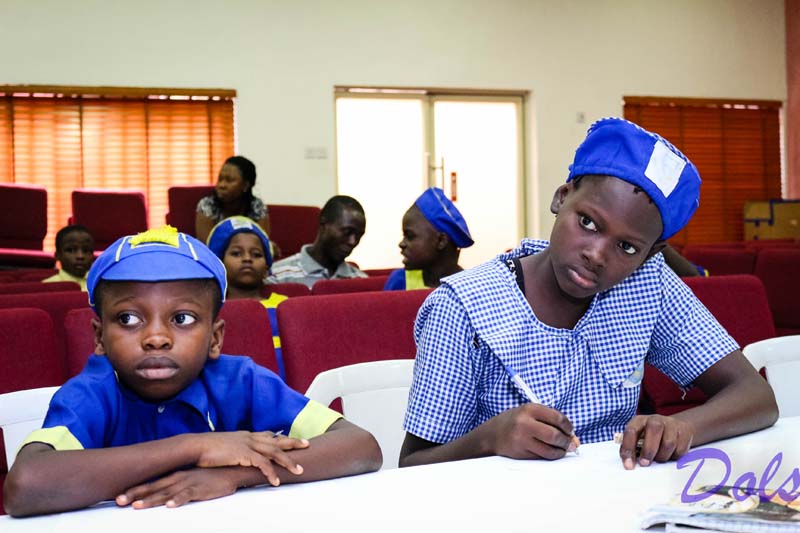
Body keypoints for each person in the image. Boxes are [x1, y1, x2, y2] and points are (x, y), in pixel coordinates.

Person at [399, 117, 777, 471]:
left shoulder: (648, 285)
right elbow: (413, 463)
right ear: (561, 197)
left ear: (650, 255)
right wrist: (490, 439)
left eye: (627, 247)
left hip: (614, 497)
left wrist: (683, 426)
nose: (596, 255)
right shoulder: (462, 307)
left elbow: (755, 394)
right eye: (588, 222)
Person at [3, 225, 382, 517]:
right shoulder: (93, 392)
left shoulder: (241, 381)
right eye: (128, 318)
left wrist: (233, 476)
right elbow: (25, 485)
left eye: (182, 318)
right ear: (99, 337)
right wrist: (198, 446)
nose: (156, 338)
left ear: (215, 338)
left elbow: (361, 447)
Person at [207, 216, 289, 379]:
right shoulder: (212, 310)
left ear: (267, 267)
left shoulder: (284, 305)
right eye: (236, 253)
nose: (247, 259)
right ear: (220, 264)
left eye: (256, 254)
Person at [384, 187, 474, 291]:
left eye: (410, 236)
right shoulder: (400, 281)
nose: (401, 244)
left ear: (441, 241)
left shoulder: (468, 288)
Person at [268, 195, 367, 288]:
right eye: (347, 232)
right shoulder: (277, 276)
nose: (353, 241)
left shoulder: (361, 281)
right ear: (323, 225)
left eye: (359, 235)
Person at [195, 156, 270, 244]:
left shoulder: (257, 207)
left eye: (229, 180)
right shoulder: (207, 206)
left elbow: (261, 245)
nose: (222, 185)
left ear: (245, 185)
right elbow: (207, 246)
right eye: (220, 179)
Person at [42, 224, 95, 291]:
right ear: (57, 255)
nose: (80, 256)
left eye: (86, 251)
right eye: (71, 250)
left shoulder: (99, 285)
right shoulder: (47, 286)